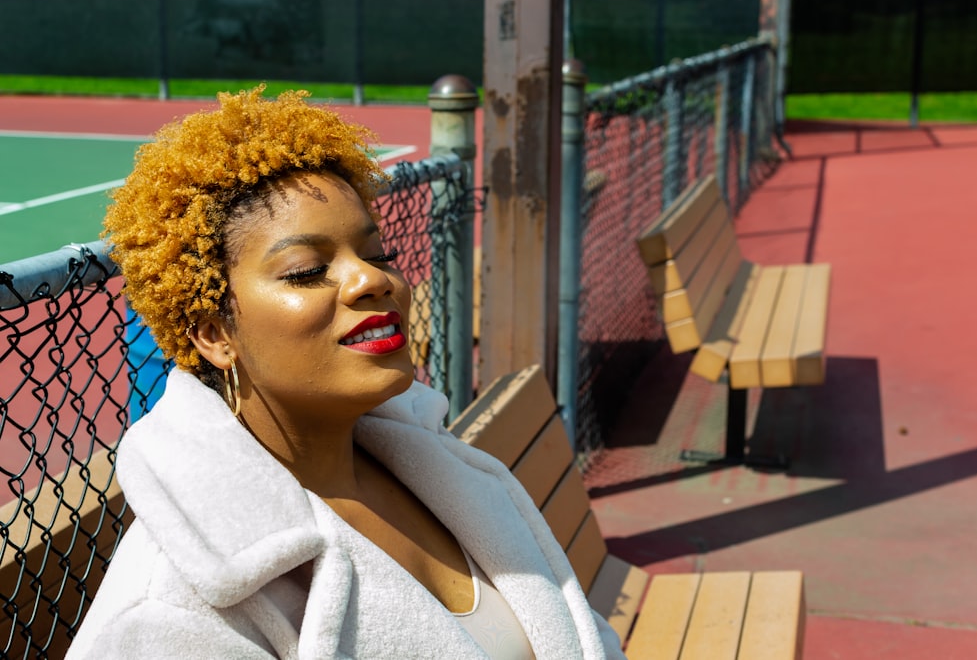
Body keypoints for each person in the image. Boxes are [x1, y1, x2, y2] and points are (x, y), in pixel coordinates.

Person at [67, 86, 624, 659]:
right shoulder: (169, 611)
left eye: (378, 255)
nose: (374, 281)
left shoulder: (442, 470)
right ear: (214, 334)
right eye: (307, 271)